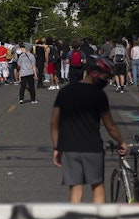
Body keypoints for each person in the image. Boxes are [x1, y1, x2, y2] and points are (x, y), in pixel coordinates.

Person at [50, 55, 128, 204]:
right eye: (105, 77)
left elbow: (54, 121)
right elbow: (110, 126)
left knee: (75, 190)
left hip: (69, 147)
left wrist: (56, 147)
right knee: (97, 186)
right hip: (92, 147)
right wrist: (121, 141)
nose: (105, 81)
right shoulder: (99, 95)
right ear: (94, 73)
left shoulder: (65, 92)